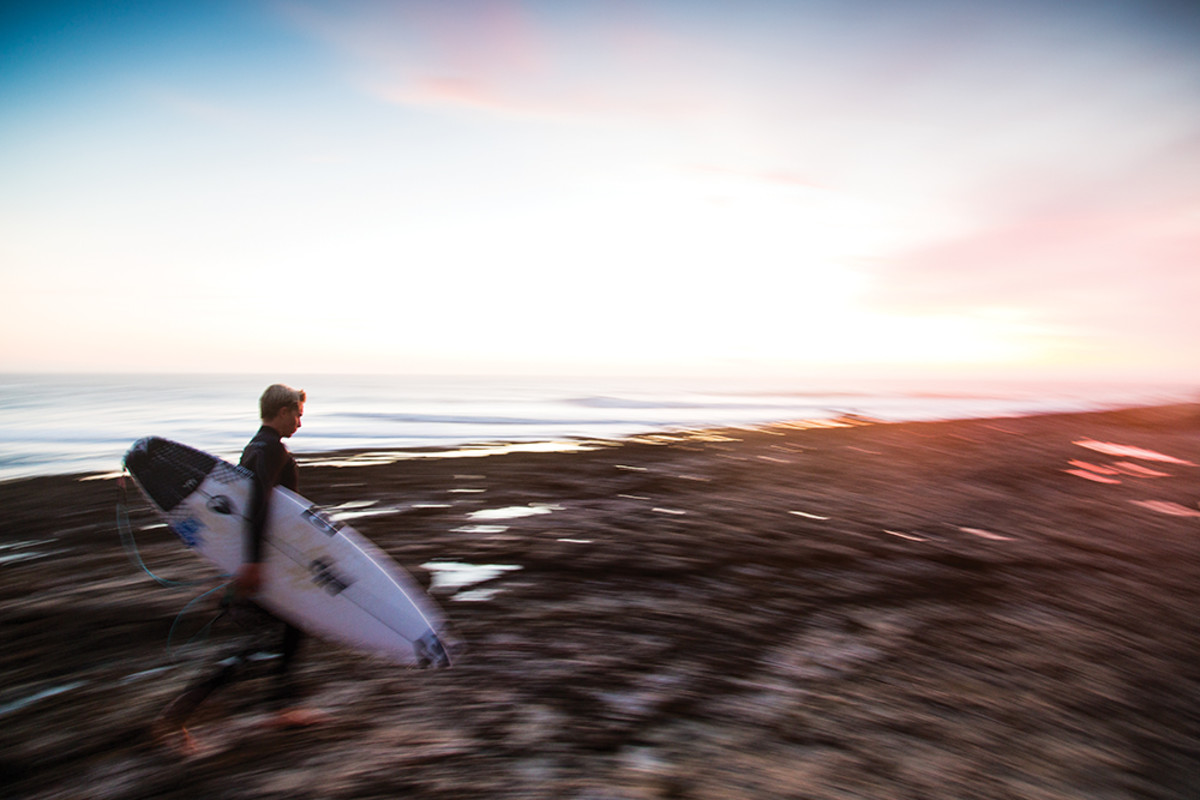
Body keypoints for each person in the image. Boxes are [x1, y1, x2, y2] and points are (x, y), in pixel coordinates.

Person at [153, 384, 323, 755]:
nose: (299, 421)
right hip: (262, 562)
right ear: (281, 411)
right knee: (258, 645)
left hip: (263, 559)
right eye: (297, 414)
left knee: (292, 628)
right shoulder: (272, 451)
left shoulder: (253, 448)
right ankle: (177, 716)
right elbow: (257, 508)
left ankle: (279, 706)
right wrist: (252, 563)